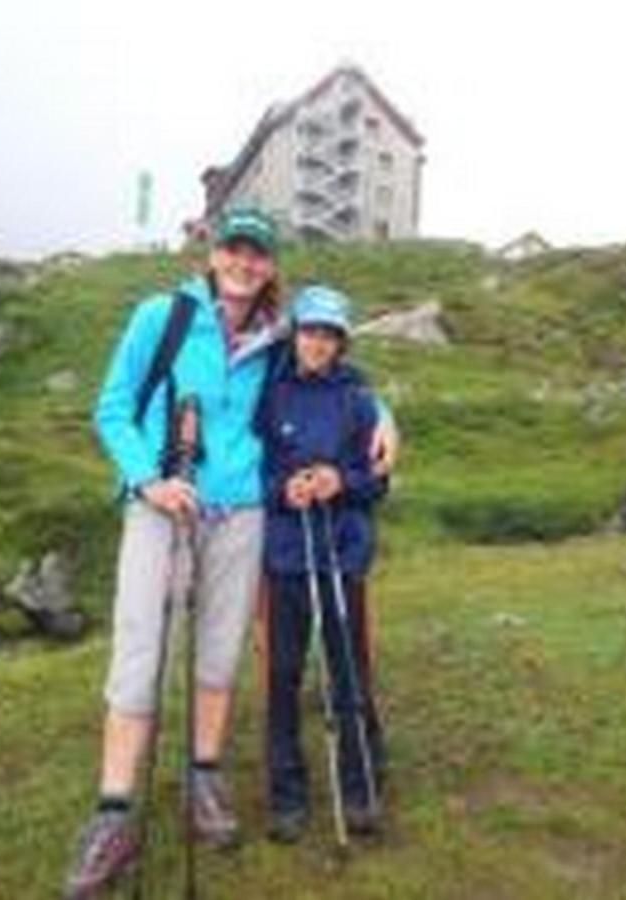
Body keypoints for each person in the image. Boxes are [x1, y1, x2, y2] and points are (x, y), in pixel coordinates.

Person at [64, 208, 397, 898]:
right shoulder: (164, 317)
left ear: (270, 266)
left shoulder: (278, 338)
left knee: (217, 654)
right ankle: (114, 812)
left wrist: (386, 414)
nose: (245, 262)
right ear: (213, 253)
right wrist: (146, 479)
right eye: (234, 249)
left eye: (258, 253)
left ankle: (204, 780)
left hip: (242, 512)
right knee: (140, 655)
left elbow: (335, 370)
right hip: (164, 504)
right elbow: (113, 406)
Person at [256, 285, 387, 843]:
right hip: (286, 555)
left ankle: (360, 786)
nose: (318, 343)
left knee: (348, 669)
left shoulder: (358, 398)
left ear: (341, 342)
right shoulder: (270, 391)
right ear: (296, 332)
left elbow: (378, 479)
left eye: (330, 334)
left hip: (342, 552)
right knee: (283, 673)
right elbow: (251, 471)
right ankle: (287, 793)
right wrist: (284, 489)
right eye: (311, 331)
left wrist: (341, 481)